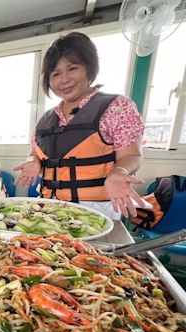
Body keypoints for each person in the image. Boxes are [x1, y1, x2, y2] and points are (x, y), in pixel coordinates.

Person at [14, 32, 146, 219]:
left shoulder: (117, 107)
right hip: (48, 209)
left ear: (89, 69)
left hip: (97, 211)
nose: (64, 79)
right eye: (56, 74)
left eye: (72, 68)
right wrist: (32, 163)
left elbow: (132, 155)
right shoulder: (45, 119)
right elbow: (34, 154)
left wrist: (119, 173)